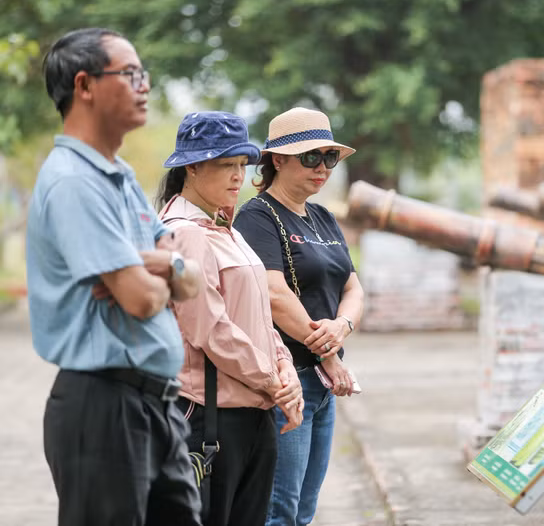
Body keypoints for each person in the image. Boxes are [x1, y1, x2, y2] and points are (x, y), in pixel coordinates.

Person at [27, 28, 203, 525]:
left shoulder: (119, 176)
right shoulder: (73, 182)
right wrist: (158, 269)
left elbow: (190, 282)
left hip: (156, 404)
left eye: (142, 74)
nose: (143, 85)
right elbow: (142, 301)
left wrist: (164, 264)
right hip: (102, 407)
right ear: (84, 85)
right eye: (130, 74)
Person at [156, 111, 304, 526]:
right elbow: (211, 329)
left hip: (253, 411)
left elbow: (259, 314)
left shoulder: (228, 229)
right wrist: (275, 383)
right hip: (210, 417)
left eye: (243, 165)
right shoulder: (183, 232)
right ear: (193, 167)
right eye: (226, 165)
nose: (238, 176)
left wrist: (286, 370)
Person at [233, 107, 365, 526]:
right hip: (289, 379)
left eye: (329, 157)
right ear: (277, 159)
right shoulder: (258, 217)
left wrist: (342, 326)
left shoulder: (323, 217)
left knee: (304, 509)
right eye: (311, 157)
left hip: (324, 384)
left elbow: (353, 287)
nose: (322, 168)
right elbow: (273, 294)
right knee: (279, 510)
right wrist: (328, 355)